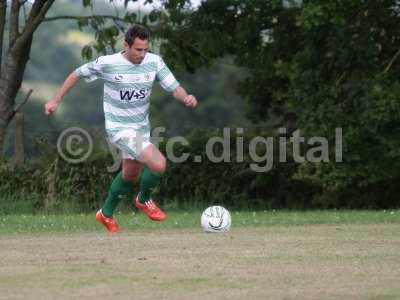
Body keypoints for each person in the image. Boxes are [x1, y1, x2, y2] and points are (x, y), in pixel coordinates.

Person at [44, 24, 198, 233]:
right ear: (126, 45)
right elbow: (77, 74)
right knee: (159, 164)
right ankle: (143, 200)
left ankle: (105, 214)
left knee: (131, 174)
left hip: (141, 128)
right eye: (138, 49)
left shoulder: (154, 62)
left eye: (146, 49)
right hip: (120, 128)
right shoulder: (108, 63)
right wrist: (55, 100)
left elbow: (174, 87)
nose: (143, 54)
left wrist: (186, 96)